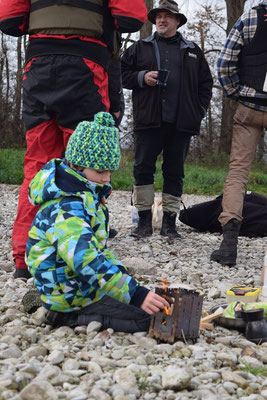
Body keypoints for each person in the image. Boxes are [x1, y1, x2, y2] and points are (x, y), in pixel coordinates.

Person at [0, 0, 147, 279]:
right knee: (88, 166)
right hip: (85, 67)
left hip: (38, 69)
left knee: (36, 166)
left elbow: (9, 20)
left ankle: (25, 259)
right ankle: (83, 256)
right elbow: (132, 17)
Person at [25, 112, 169, 331]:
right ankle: (62, 317)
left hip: (79, 285)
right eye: (100, 171)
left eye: (110, 171)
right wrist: (134, 293)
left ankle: (63, 306)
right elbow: (85, 258)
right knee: (146, 320)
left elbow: (96, 247)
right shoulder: (66, 206)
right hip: (69, 294)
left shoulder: (86, 196)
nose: (106, 178)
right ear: (75, 166)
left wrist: (120, 274)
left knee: (145, 307)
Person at [121, 0, 213, 239]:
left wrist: (199, 111)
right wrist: (142, 76)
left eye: (167, 16)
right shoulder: (140, 47)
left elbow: (206, 84)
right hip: (148, 120)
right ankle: (143, 223)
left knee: (175, 172)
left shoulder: (193, 50)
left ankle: (169, 225)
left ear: (177, 21)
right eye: (159, 16)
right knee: (143, 170)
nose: (162, 20)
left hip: (181, 123)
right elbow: (120, 74)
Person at [210, 1, 267, 267]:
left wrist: (237, 92)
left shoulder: (250, 18)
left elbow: (224, 64)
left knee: (238, 172)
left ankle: (229, 244)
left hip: (249, 107)